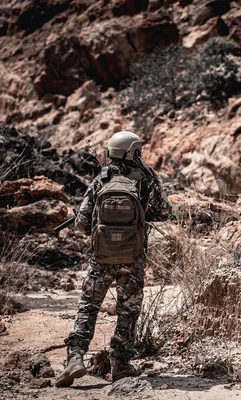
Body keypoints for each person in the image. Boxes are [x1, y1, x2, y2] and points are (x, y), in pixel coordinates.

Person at [54, 131, 172, 387]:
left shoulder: (101, 179)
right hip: (133, 258)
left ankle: (75, 357)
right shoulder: (145, 179)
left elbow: (83, 224)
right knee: (128, 311)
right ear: (132, 151)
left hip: (101, 259)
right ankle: (121, 364)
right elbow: (164, 212)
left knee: (89, 306)